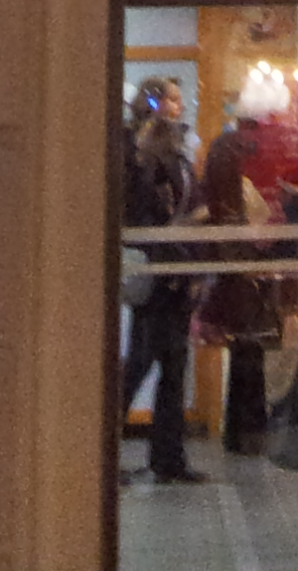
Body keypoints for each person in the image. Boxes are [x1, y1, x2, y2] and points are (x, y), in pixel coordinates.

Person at [121, 87, 206, 486]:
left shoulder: (179, 154)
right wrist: (174, 245)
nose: (180, 106)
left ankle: (168, 458)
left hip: (178, 272)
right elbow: (144, 217)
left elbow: (191, 205)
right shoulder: (141, 157)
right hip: (159, 276)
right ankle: (102, 453)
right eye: (172, 99)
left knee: (173, 365)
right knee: (140, 363)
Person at [196, 112, 279, 455]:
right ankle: (248, 431)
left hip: (228, 276)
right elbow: (257, 226)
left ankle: (240, 432)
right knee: (249, 351)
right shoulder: (237, 184)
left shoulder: (211, 185)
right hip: (241, 276)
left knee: (244, 352)